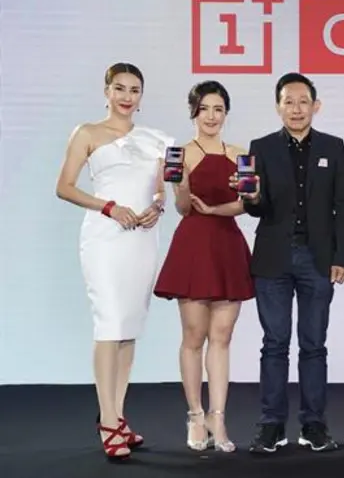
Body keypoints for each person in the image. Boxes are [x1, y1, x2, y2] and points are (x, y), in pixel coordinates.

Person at [55, 62, 173, 461]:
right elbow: (64, 187)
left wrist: (158, 206)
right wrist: (108, 207)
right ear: (106, 91)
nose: (127, 96)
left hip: (142, 238)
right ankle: (107, 421)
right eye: (119, 88)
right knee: (109, 324)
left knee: (128, 328)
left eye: (134, 90)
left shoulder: (155, 139)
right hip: (105, 238)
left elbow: (161, 189)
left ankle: (118, 416)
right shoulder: (87, 133)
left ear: (141, 96)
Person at [236, 73, 344, 454]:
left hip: (318, 259)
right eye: (289, 101)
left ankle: (313, 424)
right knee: (274, 344)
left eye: (303, 101)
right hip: (274, 257)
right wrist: (252, 197)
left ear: (316, 106)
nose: (296, 109)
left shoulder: (333, 147)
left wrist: (342, 256)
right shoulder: (262, 147)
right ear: (278, 107)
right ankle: (271, 425)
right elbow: (257, 208)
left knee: (314, 345)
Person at [154, 80, 255, 453]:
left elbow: (246, 203)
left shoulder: (242, 154)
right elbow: (182, 208)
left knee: (223, 336)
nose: (212, 116)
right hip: (194, 245)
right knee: (194, 336)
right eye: (205, 109)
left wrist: (218, 208)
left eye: (218, 109)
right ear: (193, 112)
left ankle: (218, 416)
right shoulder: (178, 154)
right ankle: (195, 415)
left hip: (227, 243)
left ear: (226, 113)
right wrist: (182, 186)